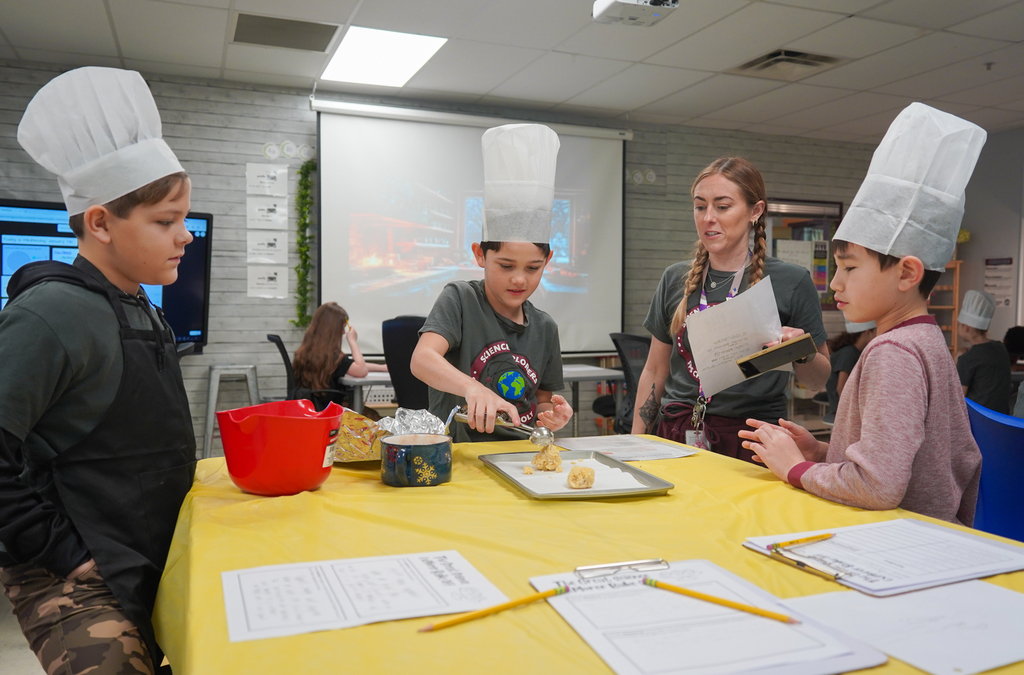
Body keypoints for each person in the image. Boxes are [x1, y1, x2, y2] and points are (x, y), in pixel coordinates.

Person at [0, 68, 198, 674]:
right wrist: (61, 550)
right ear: (101, 222)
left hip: (140, 548)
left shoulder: (139, 304)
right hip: (76, 571)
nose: (184, 236)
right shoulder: (50, 314)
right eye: (165, 221)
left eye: (183, 218)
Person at [741, 103, 985, 526]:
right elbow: (904, 459)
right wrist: (824, 452)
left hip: (899, 547)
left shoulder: (894, 352)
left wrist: (796, 470)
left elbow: (879, 486)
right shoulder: (925, 339)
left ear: (908, 272)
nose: (836, 283)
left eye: (850, 268)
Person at [633, 157, 830, 461]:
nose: (708, 217)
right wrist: (637, 441)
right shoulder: (675, 278)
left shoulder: (791, 281)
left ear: (755, 211)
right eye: (700, 207)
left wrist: (799, 350)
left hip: (753, 440)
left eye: (722, 207)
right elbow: (655, 370)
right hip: (678, 432)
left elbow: (818, 382)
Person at [411, 124, 572, 442]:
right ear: (480, 255)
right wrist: (472, 388)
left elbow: (540, 400)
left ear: (547, 261)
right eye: (506, 265)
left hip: (518, 456)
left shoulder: (545, 328)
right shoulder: (461, 300)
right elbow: (422, 360)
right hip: (461, 456)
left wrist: (551, 415)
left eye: (533, 267)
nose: (519, 278)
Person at [292, 302, 387, 412]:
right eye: (342, 328)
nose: (343, 333)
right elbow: (361, 370)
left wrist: (382, 368)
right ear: (333, 330)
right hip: (329, 413)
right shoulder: (333, 356)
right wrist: (352, 341)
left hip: (310, 410)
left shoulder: (307, 351)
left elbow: (351, 366)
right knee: (372, 415)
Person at [956, 290, 1011, 414]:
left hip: (978, 423)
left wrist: (957, 361)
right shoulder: (1000, 348)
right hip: (1001, 421)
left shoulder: (967, 359)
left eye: (959, 324)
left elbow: (957, 401)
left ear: (966, 327)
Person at [823, 320, 876, 424]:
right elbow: (841, 388)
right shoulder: (848, 353)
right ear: (867, 332)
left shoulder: (854, 351)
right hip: (842, 408)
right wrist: (853, 412)